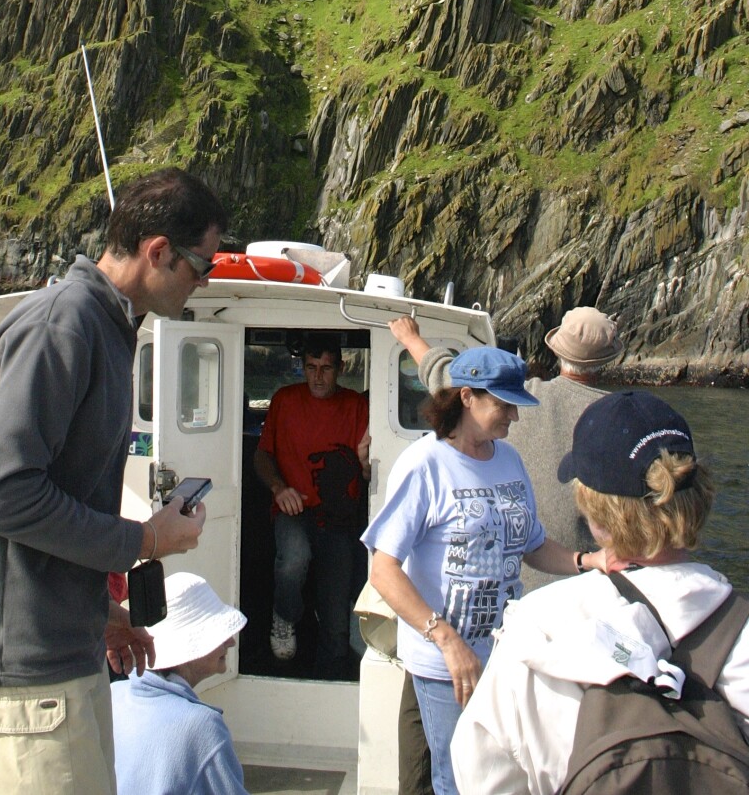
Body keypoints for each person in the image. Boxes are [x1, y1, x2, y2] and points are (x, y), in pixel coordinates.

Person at [0, 168, 228, 795]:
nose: (204, 280)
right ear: (157, 251)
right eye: (200, 265)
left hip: (63, 656)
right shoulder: (65, 324)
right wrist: (144, 540)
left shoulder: (104, 328)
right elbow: (3, 494)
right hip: (25, 676)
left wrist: (102, 612)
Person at [452, 389, 749, 794]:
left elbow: (483, 778)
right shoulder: (741, 627)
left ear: (594, 513)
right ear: (697, 497)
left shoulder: (537, 630)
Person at [364, 319, 610, 795]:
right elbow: (383, 568)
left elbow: (533, 544)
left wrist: (588, 561)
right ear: (466, 397)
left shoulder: (508, 459)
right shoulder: (424, 465)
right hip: (446, 665)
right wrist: (446, 640)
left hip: (502, 655)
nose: (514, 419)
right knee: (457, 780)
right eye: (504, 405)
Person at [253, 332, 370, 678]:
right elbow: (262, 454)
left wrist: (365, 464)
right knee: (293, 560)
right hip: (294, 510)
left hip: (340, 520)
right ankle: (285, 617)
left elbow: (369, 469)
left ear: (341, 368)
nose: (318, 376)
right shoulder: (285, 400)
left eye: (326, 368)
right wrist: (279, 488)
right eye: (311, 367)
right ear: (302, 368)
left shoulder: (357, 406)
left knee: (337, 626)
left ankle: (331, 694)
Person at [508, 305, 624, 593]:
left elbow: (449, 381)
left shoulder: (521, 397)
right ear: (606, 360)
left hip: (515, 578)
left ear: (557, 352)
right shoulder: (618, 417)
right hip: (583, 585)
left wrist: (413, 341)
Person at [112, 571, 249, 795]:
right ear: (191, 646)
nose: (231, 642)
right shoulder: (203, 727)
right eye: (219, 634)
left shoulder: (112, 695)